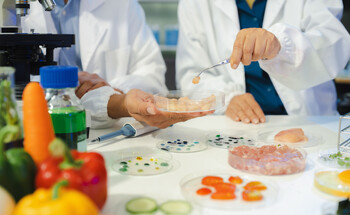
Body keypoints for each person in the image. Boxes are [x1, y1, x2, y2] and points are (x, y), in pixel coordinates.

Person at [19, 0, 210, 129]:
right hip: (36, 130)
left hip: (114, 135)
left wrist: (113, 92)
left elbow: (152, 73)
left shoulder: (121, 4)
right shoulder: (11, 9)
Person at [176, 0, 350, 124]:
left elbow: (334, 45)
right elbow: (192, 75)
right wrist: (228, 98)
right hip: (236, 126)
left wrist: (280, 45)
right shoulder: (195, 4)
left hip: (310, 121)